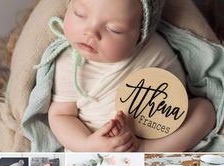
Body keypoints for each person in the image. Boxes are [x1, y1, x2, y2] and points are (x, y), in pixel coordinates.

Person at [48, 0, 215, 152]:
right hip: (96, 144)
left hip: (155, 137)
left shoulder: (154, 49)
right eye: (80, 14)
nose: (90, 32)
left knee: (204, 111)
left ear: (140, 32)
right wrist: (86, 144)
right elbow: (61, 115)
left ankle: (147, 150)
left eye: (114, 29)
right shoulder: (68, 63)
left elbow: (178, 94)